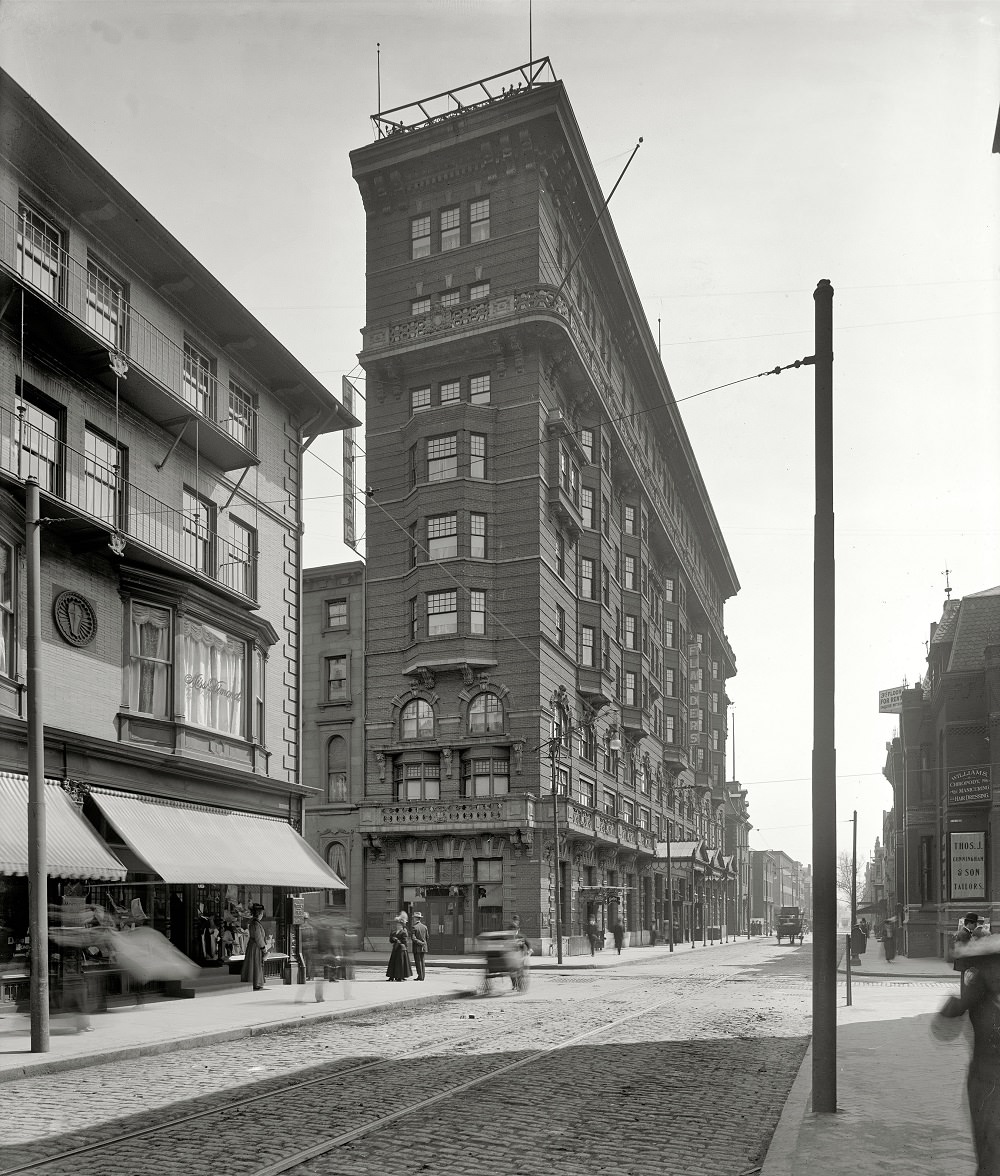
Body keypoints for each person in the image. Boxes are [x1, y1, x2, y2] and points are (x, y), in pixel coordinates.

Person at [934, 934, 1000, 1175]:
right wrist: (960, 1002)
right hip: (986, 1084)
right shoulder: (978, 998)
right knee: (990, 1150)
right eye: (992, 967)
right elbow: (942, 1030)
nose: (997, 973)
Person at [240, 904, 267, 991]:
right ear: (259, 914)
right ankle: (255, 982)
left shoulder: (254, 923)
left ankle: (254, 982)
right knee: (255, 964)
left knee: (254, 964)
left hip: (253, 946)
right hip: (256, 947)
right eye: (261, 913)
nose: (262, 915)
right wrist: (263, 948)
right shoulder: (255, 924)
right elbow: (258, 938)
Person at [386, 915, 412, 981]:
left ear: (402, 926)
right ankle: (392, 976)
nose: (398, 926)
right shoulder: (394, 932)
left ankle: (400, 976)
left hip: (401, 949)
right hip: (395, 948)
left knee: (400, 963)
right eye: (397, 925)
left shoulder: (404, 932)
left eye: (399, 925)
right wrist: (393, 939)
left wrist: (397, 940)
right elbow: (391, 940)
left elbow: (405, 941)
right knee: (393, 963)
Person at [410, 911, 429, 981]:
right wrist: (423, 943)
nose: (413, 919)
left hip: (417, 947)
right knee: (422, 962)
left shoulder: (414, 927)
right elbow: (427, 937)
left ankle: (420, 976)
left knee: (418, 962)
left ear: (415, 918)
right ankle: (422, 976)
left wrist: (420, 943)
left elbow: (413, 938)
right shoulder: (425, 927)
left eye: (413, 918)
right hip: (423, 947)